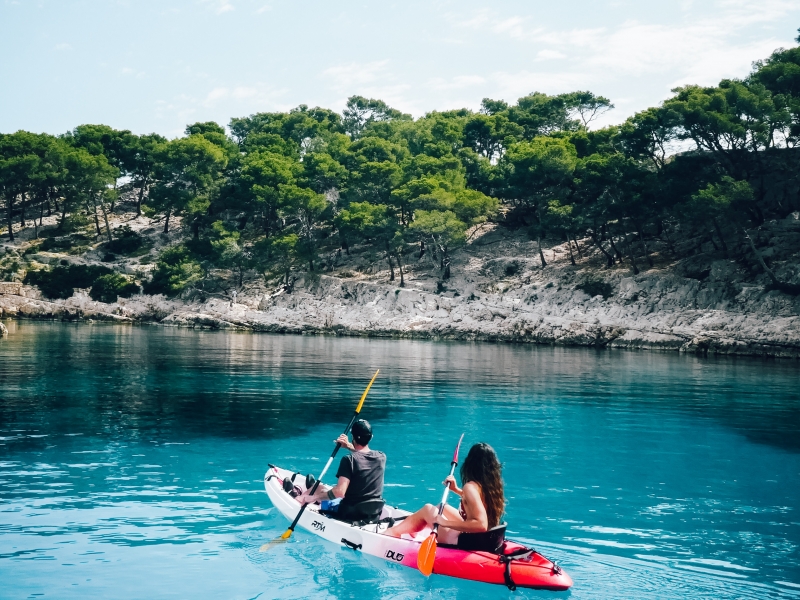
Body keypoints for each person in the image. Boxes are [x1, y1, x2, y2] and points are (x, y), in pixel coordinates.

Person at [383, 442, 504, 544]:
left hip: (467, 540)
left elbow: (481, 525)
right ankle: (413, 528)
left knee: (428, 509)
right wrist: (456, 490)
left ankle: (393, 533)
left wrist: (446, 523)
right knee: (442, 506)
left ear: (470, 464)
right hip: (483, 539)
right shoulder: (490, 485)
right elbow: (476, 503)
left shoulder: (470, 487)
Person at [297, 419, 386, 521]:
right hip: (373, 513)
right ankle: (313, 491)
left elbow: (339, 492)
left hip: (348, 514)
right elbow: (364, 456)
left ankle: (299, 498)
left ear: (353, 437)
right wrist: (348, 446)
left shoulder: (349, 460)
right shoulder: (381, 457)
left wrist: (314, 498)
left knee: (319, 488)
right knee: (322, 489)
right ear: (370, 437)